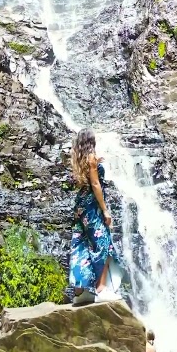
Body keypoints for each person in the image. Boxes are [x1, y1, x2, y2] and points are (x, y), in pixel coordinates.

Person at [67, 128, 123, 304]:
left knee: (81, 245)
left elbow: (84, 180)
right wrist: (105, 210)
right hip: (92, 207)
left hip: (81, 206)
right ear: (91, 141)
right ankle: (101, 288)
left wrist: (95, 164)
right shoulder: (91, 159)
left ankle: (80, 293)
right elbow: (96, 184)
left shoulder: (79, 159)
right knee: (103, 244)